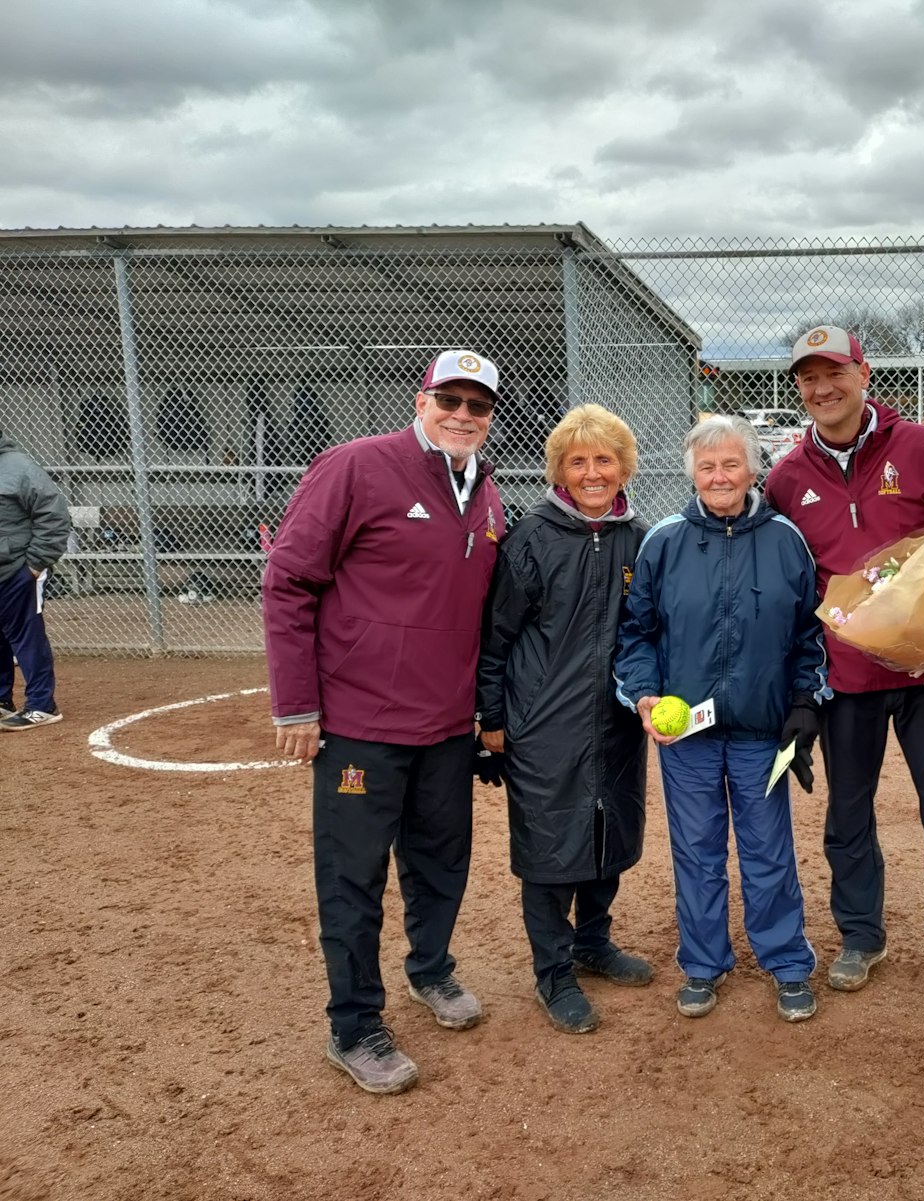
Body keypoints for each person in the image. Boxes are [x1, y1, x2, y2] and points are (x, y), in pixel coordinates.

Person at [263, 349, 506, 1095]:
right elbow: (288, 580)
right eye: (450, 400)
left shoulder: (488, 493)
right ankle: (354, 1022)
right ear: (421, 399)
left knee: (441, 860)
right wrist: (298, 704)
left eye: (477, 405)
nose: (462, 415)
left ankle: (431, 969)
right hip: (362, 721)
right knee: (353, 876)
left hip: (443, 724)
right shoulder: (355, 466)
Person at [763, 325, 924, 1001]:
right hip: (846, 679)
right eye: (808, 378)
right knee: (848, 813)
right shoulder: (785, 477)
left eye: (834, 372)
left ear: (864, 373)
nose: (822, 388)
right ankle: (861, 934)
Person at [615, 416, 828, 1024]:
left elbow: (809, 636)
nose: (719, 477)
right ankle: (704, 964)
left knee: (768, 850)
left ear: (754, 469)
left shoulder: (786, 539)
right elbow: (637, 634)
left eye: (731, 464)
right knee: (698, 851)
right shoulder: (664, 541)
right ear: (692, 475)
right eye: (706, 467)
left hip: (763, 733)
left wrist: (805, 703)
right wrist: (646, 696)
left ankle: (787, 962)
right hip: (688, 735)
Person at [476, 405, 652, 1035]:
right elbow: (496, 636)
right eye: (577, 461)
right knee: (551, 846)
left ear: (623, 466)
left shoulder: (639, 537)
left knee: (609, 830)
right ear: (559, 470)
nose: (592, 472)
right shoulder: (533, 538)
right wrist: (492, 718)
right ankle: (553, 972)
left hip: (616, 720)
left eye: (603, 459)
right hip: (543, 722)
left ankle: (593, 942)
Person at [0, 429, 69, 730]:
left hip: (16, 569)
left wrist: (35, 565)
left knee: (27, 637)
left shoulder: (18, 467)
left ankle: (42, 704)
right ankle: (2, 700)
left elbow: (54, 516)